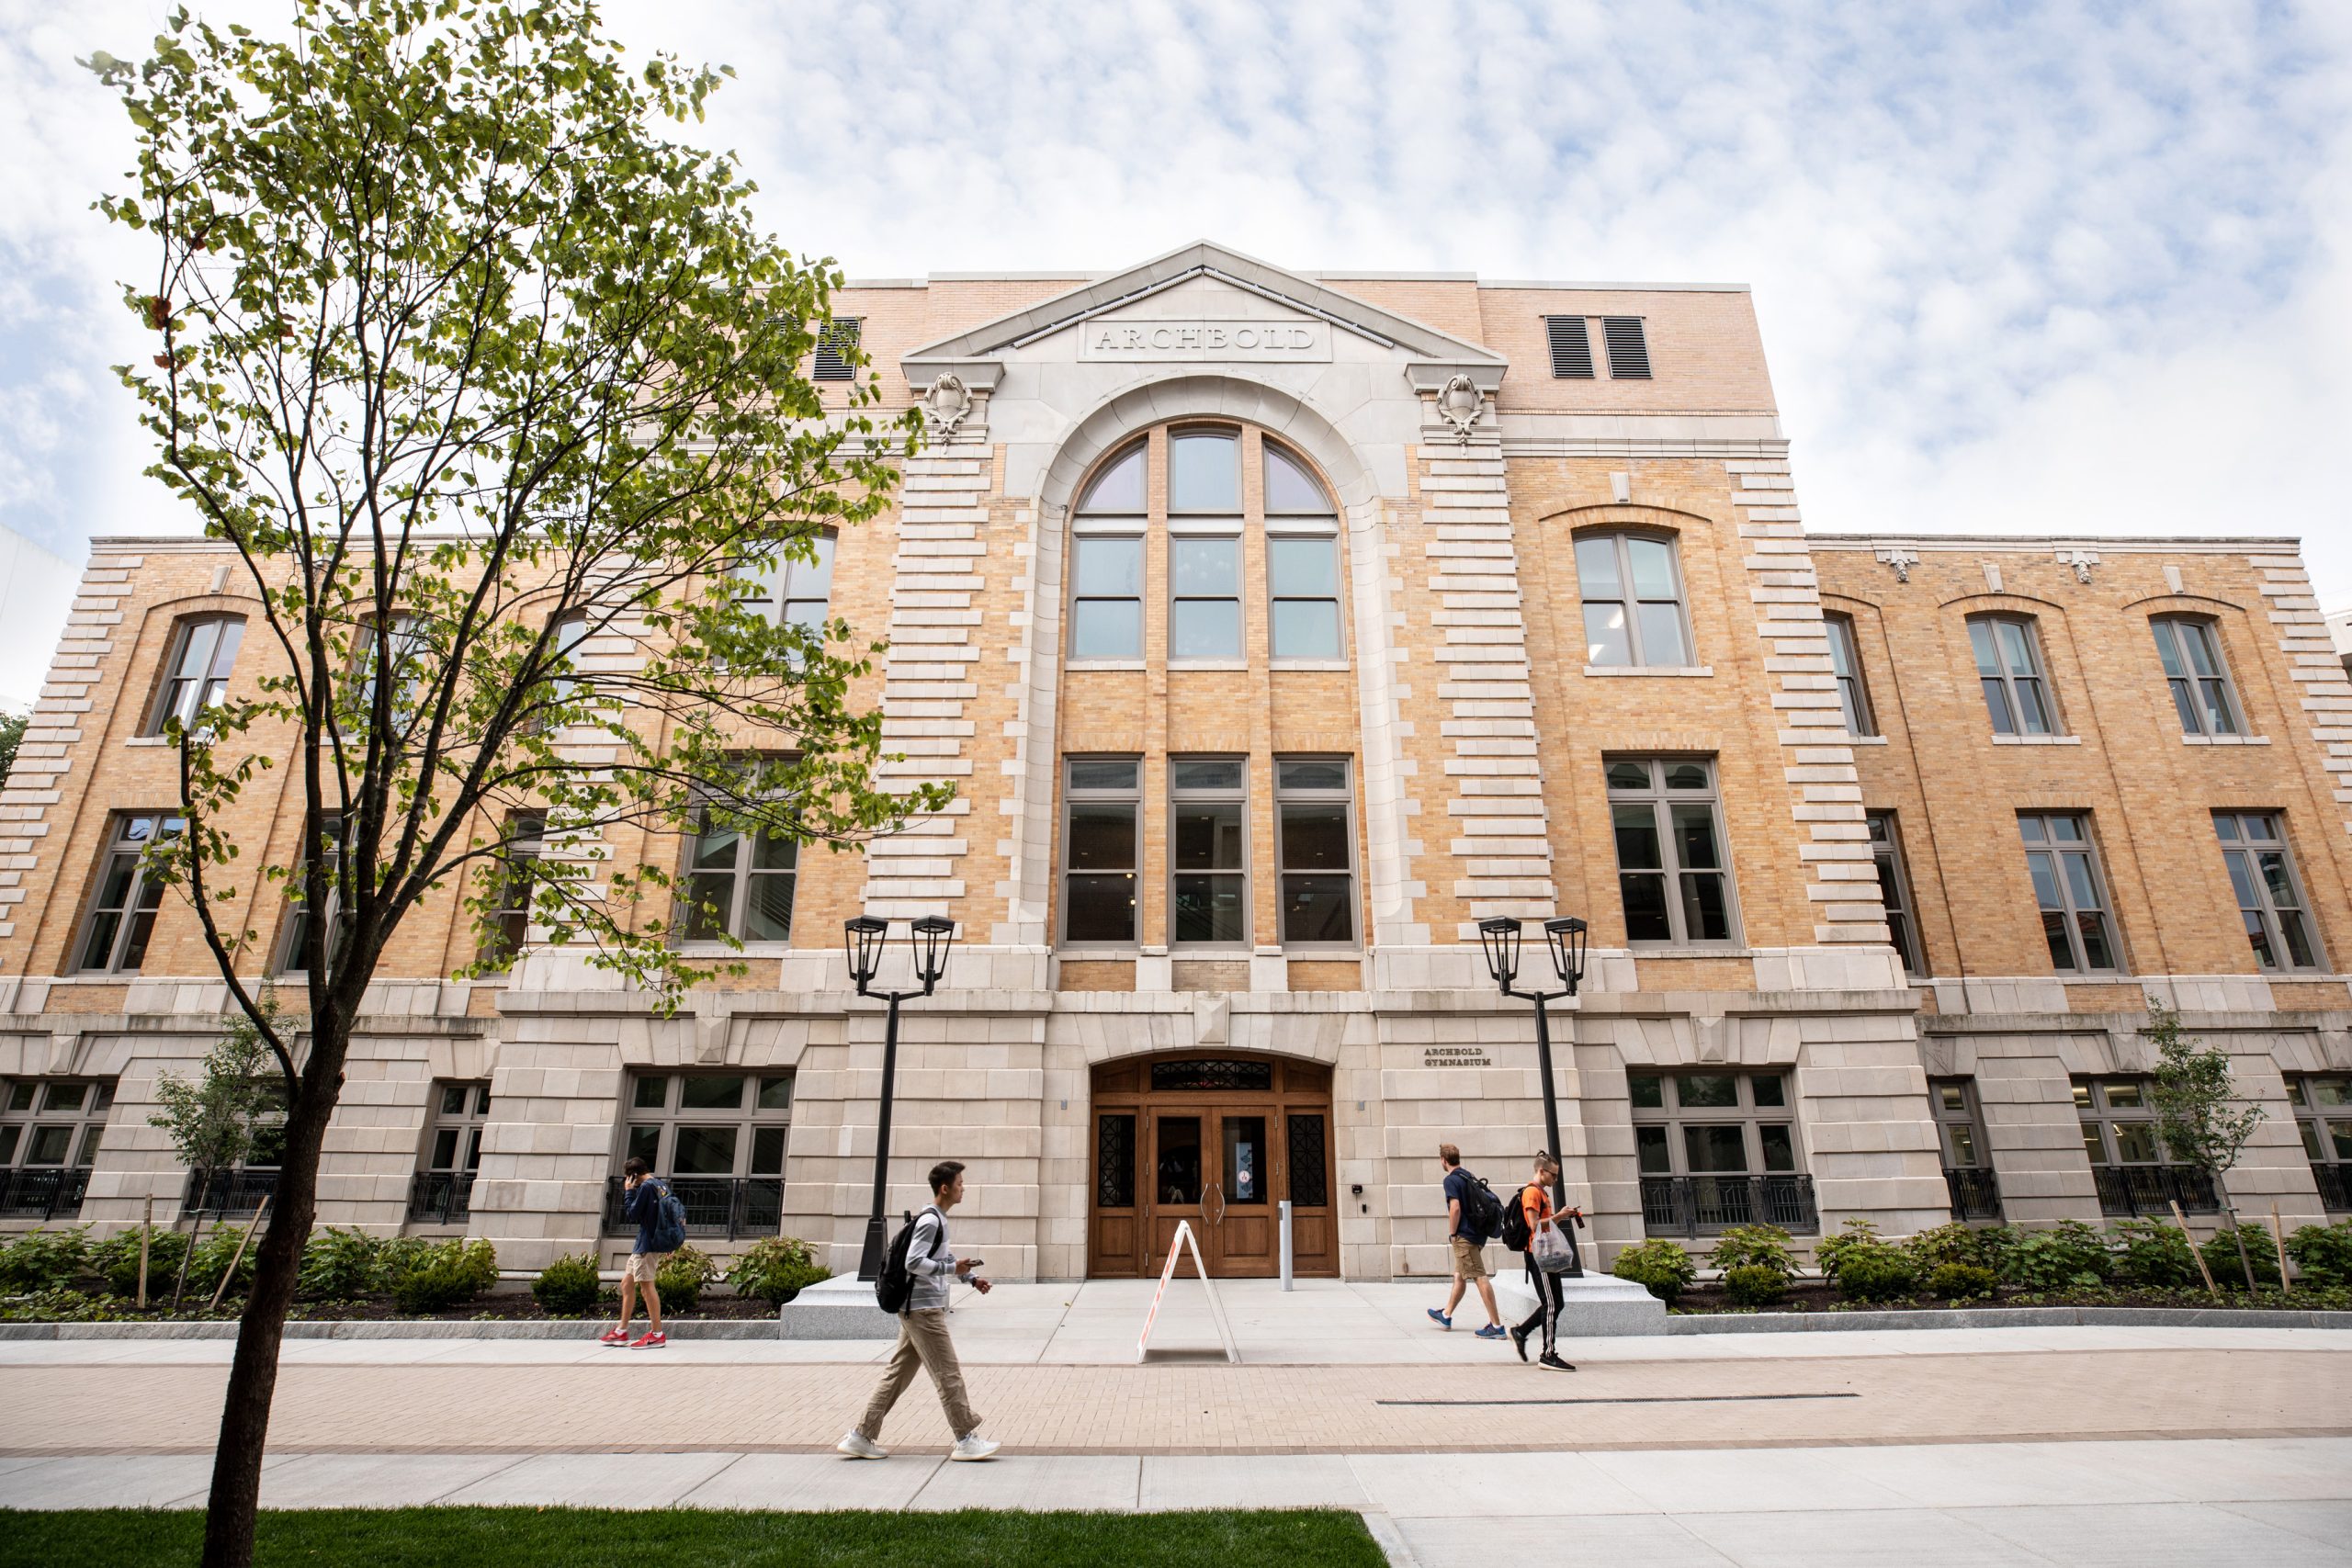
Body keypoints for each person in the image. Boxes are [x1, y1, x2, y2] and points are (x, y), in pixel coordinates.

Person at [838, 1159, 1001, 1461]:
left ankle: (861, 1436)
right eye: (960, 1184)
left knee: (897, 1374)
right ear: (945, 1188)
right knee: (948, 1374)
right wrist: (952, 1268)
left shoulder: (937, 1219)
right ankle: (965, 1439)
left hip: (916, 1309)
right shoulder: (931, 1220)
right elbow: (915, 1262)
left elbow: (942, 1256)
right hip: (923, 1311)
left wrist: (970, 1278)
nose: (963, 1188)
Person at [1426, 1143, 1507, 1339]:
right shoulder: (1467, 1175)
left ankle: (1496, 1326)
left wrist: (1453, 1233)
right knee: (1460, 1275)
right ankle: (1446, 1315)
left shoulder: (1451, 1180)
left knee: (1479, 1276)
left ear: (1443, 1160)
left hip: (1465, 1236)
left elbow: (1455, 1208)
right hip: (1478, 1234)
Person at [1509, 1152, 1577, 1372]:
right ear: (1541, 1171)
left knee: (1557, 1303)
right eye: (1553, 1175)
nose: (1555, 1180)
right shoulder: (1531, 1193)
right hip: (1538, 1255)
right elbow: (1534, 1224)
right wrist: (1560, 1216)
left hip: (1546, 1255)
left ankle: (1521, 1332)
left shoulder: (1541, 1193)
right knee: (1551, 1304)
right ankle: (1548, 1354)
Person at [603, 1156, 669, 1349]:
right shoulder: (660, 1185)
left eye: (628, 1178)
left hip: (647, 1245)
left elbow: (632, 1213)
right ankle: (621, 1331)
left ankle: (657, 1334)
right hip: (645, 1243)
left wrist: (629, 1192)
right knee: (626, 1283)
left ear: (633, 1176)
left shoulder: (647, 1187)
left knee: (647, 1287)